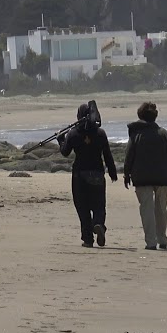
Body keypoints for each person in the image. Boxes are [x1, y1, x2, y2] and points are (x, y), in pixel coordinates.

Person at [123, 101, 167, 250]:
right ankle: (162, 238)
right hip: (163, 177)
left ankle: (150, 242)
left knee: (146, 209)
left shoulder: (136, 134)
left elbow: (129, 155)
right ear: (155, 116)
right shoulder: (163, 133)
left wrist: (126, 174)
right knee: (161, 209)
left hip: (141, 177)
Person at [58, 103, 117, 247]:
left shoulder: (73, 133)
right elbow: (107, 155)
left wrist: (61, 139)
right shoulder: (100, 133)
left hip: (79, 174)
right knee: (99, 205)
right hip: (97, 172)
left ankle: (88, 238)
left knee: (82, 206)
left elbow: (65, 152)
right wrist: (112, 172)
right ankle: (99, 224)